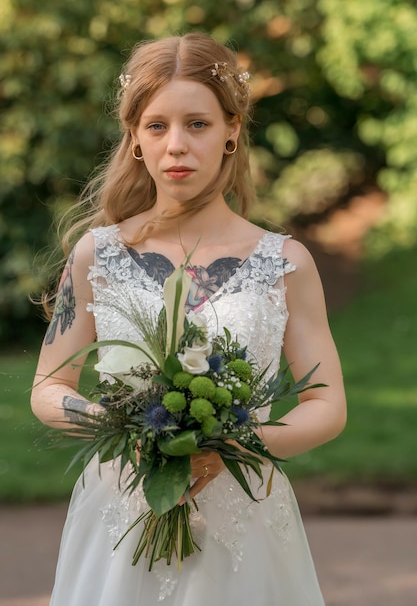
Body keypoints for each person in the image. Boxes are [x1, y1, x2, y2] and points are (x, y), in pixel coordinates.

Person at [31, 32, 346, 605]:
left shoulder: (285, 264)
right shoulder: (95, 257)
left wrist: (236, 443)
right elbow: (49, 388)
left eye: (197, 124)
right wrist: (117, 426)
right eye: (157, 126)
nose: (176, 145)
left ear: (231, 130)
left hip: (244, 517)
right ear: (134, 139)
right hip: (121, 509)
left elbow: (327, 405)